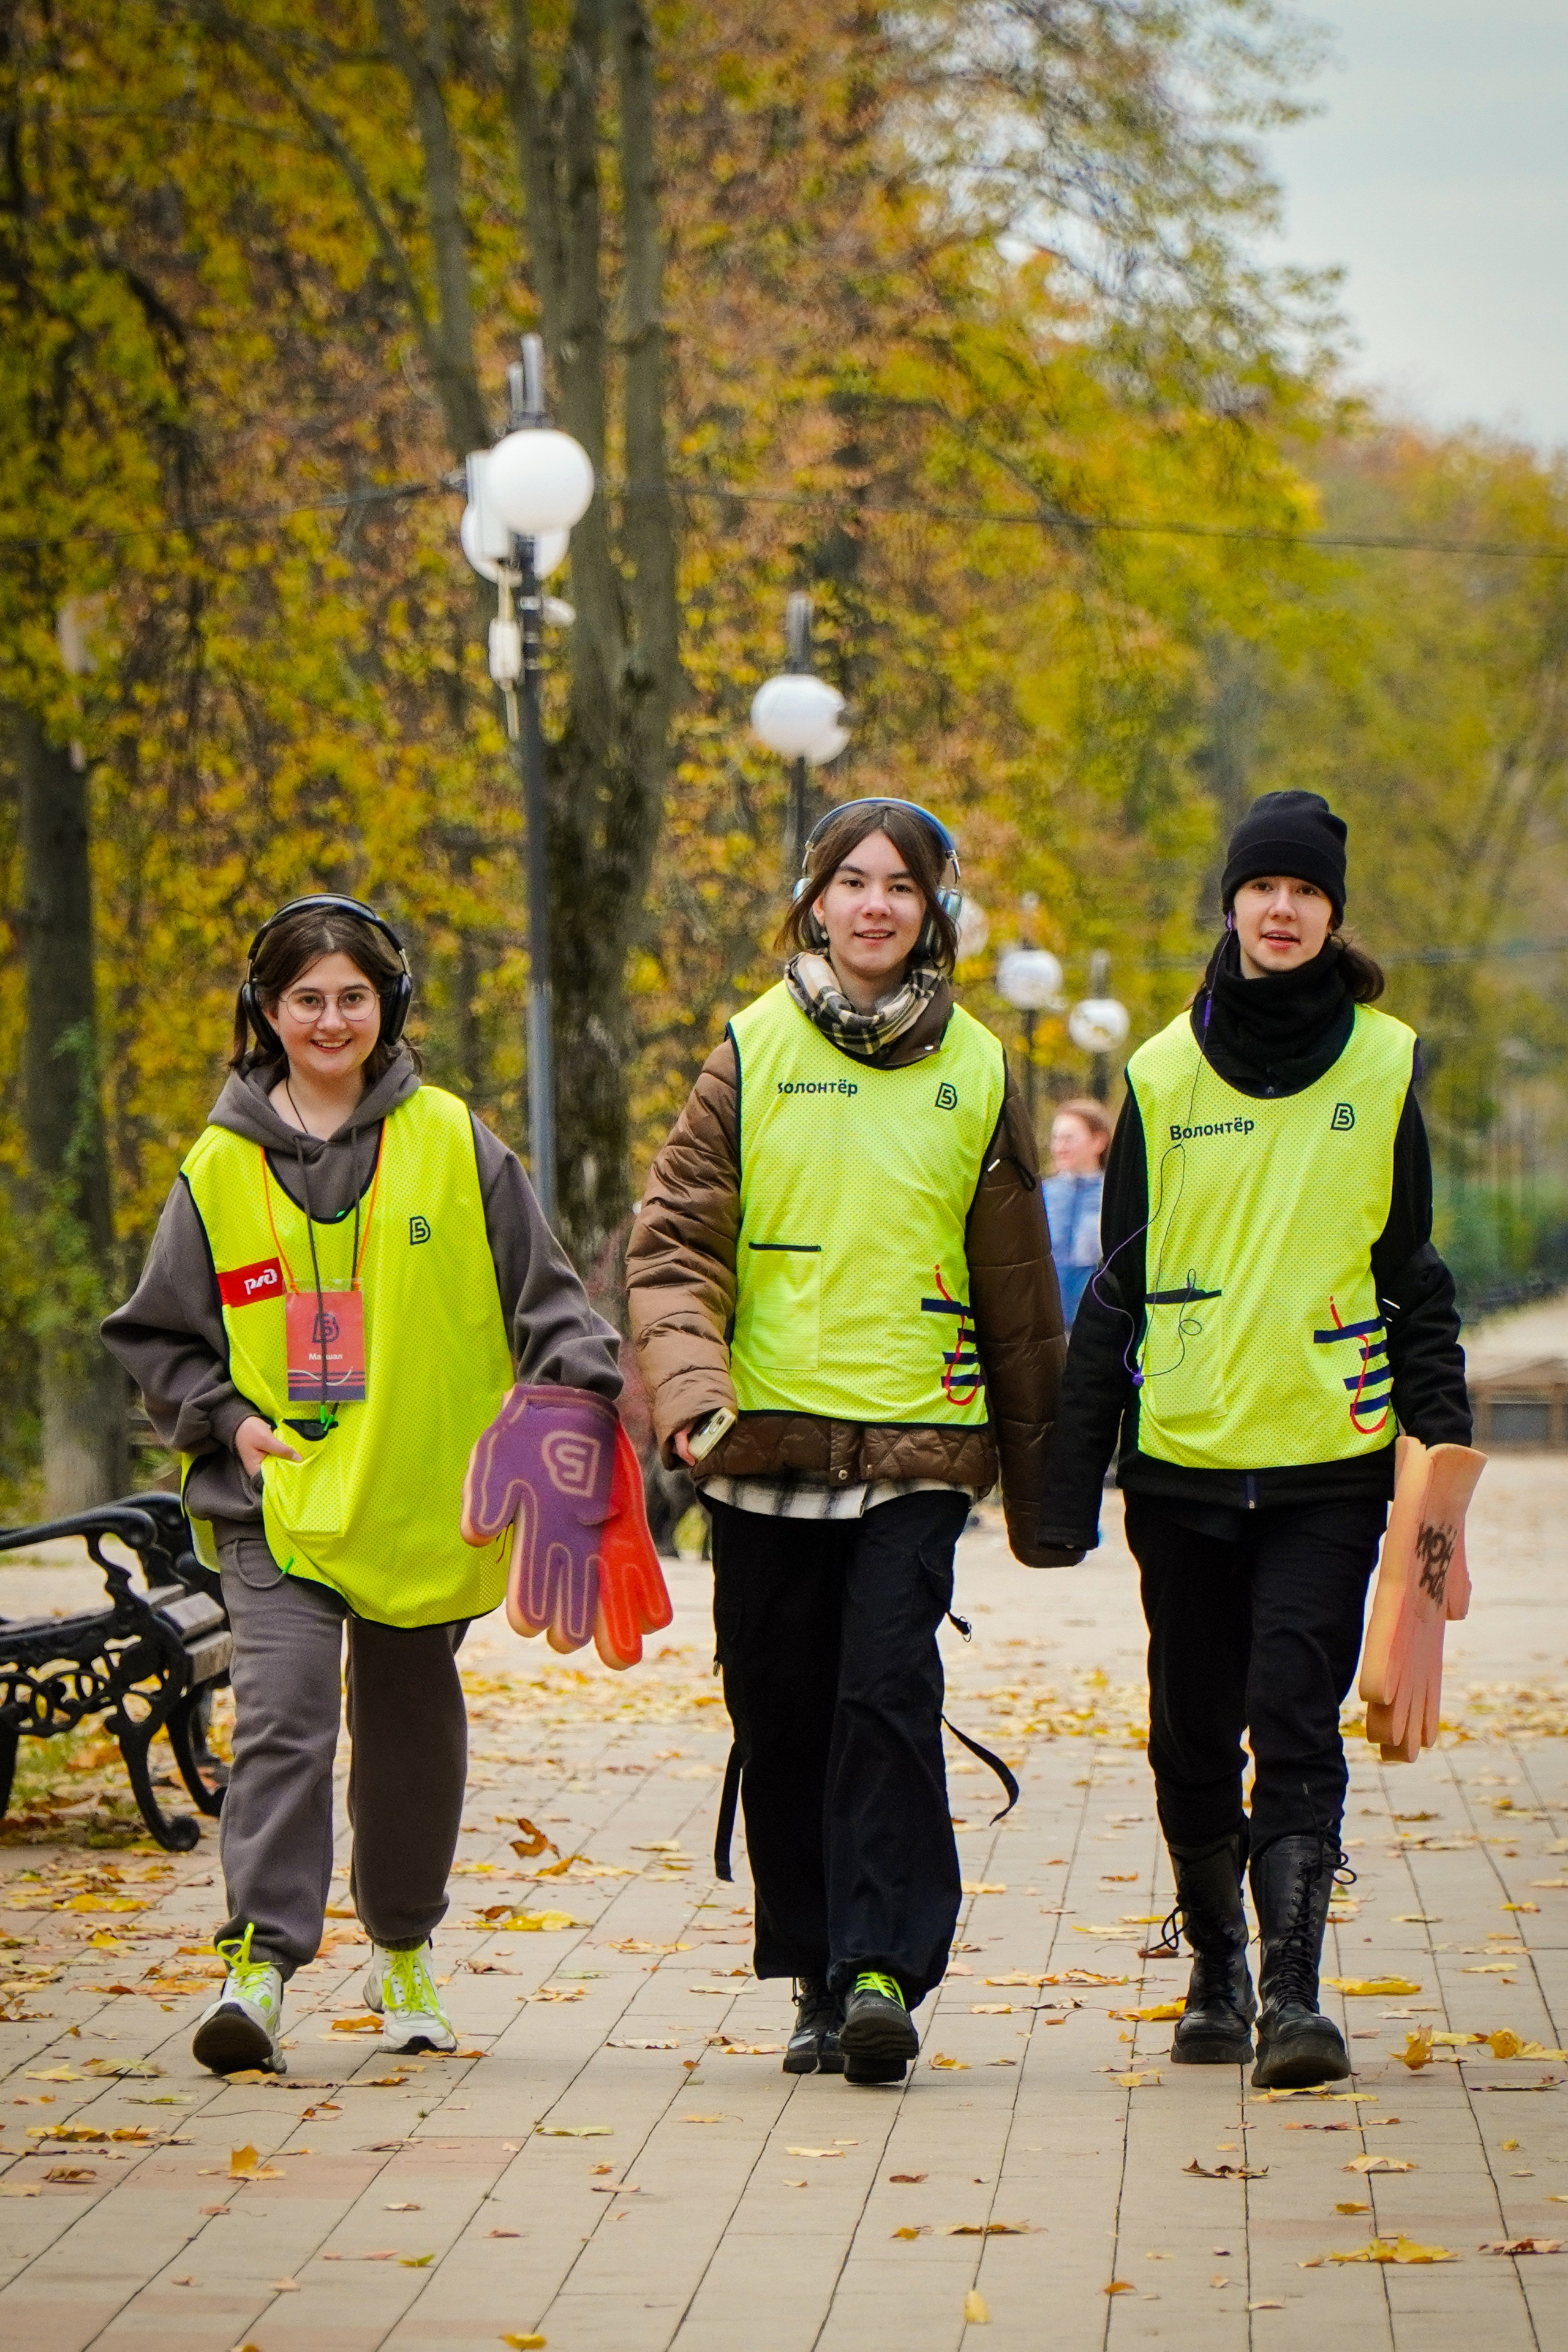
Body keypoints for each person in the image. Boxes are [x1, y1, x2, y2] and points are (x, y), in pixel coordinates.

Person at [103, 896, 620, 2075]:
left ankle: (403, 1947)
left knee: (408, 1733)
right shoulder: (218, 1164)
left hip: (423, 1498)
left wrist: (578, 1396)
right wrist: (226, 1422)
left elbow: (547, 1299)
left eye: (352, 995)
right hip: (278, 1503)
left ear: (388, 1006)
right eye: (306, 999)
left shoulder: (453, 1137)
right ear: (267, 1013)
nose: (331, 1018)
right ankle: (261, 1965)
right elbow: (159, 1336)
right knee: (284, 1715)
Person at [627, 800, 1068, 2087]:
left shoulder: (977, 1064)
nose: (874, 904)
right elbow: (673, 1245)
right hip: (758, 1440)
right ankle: (814, 1972)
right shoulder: (748, 1051)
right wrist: (692, 1391)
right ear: (813, 900)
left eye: (901, 886)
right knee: (779, 1707)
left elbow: (1016, 1281)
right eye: (851, 881)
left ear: (934, 910)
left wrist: (1048, 1485)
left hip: (919, 1445)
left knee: (884, 1693)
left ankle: (883, 1970)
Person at [1035, 792, 1471, 2089]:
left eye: (1304, 890)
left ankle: (1292, 1987)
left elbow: (1413, 1277)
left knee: (1292, 1708)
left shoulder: (1383, 1062)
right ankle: (1214, 1963)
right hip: (1179, 1461)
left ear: (1333, 913)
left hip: (1325, 1461)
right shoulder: (1159, 1074)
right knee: (1187, 1721)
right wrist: (1066, 1486)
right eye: (1259, 886)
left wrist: (1437, 1478)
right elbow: (1114, 1284)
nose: (1280, 908)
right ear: (1230, 904)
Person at [1042, 1097, 1111, 1326]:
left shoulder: (1112, 1196)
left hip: (1095, 1325)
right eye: (1056, 1138)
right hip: (1047, 1326)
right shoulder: (1040, 1195)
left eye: (1069, 1138)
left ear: (1099, 1142)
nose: (1061, 1146)